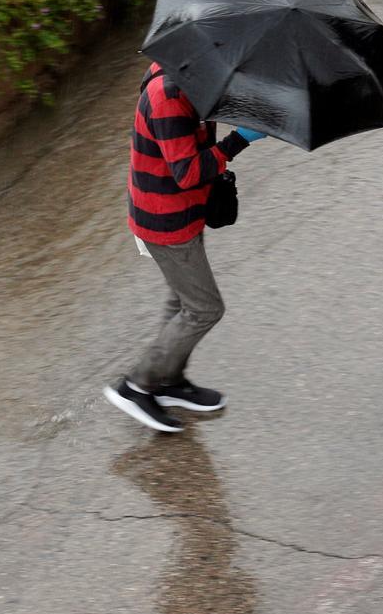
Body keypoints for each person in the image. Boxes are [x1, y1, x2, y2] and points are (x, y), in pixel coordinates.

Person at [103, 62, 267, 433]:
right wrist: (238, 139)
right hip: (166, 221)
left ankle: (168, 381)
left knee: (181, 300)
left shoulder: (197, 74)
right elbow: (187, 171)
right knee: (205, 308)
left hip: (185, 212)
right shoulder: (169, 96)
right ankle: (137, 386)